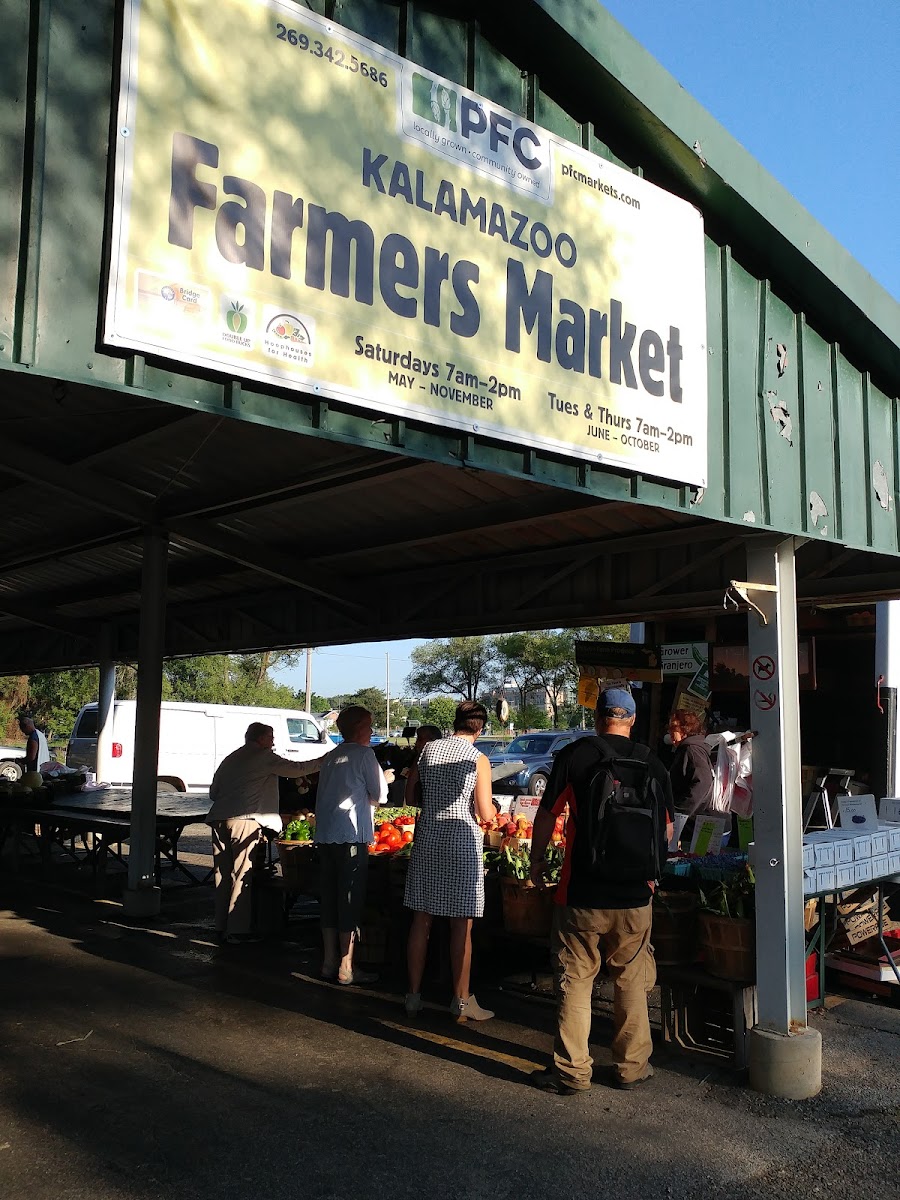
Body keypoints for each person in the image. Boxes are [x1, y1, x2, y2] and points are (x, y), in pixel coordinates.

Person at [529, 688, 673, 1094]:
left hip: (582, 893)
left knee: (575, 980)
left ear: (597, 718)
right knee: (630, 980)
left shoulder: (577, 755)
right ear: (630, 720)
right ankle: (631, 1067)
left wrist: (538, 862)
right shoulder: (651, 761)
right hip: (635, 896)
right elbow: (665, 828)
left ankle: (573, 1073)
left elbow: (546, 814)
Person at [403, 700, 496, 1022]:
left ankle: (413, 996)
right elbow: (485, 812)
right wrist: (494, 813)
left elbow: (409, 796)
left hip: (428, 837)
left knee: (421, 920)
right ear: (480, 728)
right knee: (462, 925)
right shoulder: (478, 758)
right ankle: (461, 1001)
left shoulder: (429, 750)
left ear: (455, 722)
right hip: (460, 842)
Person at [207, 722, 324, 945]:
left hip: (219, 818)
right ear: (261, 739)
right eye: (271, 738)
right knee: (242, 874)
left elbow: (214, 792)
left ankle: (221, 924)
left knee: (222, 873)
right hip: (245, 819)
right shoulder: (265, 756)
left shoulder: (231, 758)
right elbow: (297, 769)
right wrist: (323, 762)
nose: (273, 742)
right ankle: (238, 930)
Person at [314, 705, 388, 985]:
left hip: (325, 835)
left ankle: (328, 961)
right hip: (351, 835)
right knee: (349, 898)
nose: (371, 732)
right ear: (359, 728)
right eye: (369, 726)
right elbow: (380, 794)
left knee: (330, 899)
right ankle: (346, 966)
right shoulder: (364, 754)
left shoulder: (332, 755)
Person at [668, 708, 715, 818]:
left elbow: (703, 782)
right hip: (705, 817)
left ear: (685, 729)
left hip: (701, 819)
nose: (669, 732)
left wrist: (679, 811)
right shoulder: (696, 746)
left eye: (673, 728)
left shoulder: (692, 750)